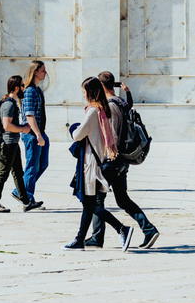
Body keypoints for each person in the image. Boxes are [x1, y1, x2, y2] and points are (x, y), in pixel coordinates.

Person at [87, 71, 159, 249]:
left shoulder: (111, 106)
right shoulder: (121, 103)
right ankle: (148, 229)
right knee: (122, 199)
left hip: (113, 159)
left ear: (102, 86)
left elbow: (112, 135)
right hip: (122, 159)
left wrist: (108, 155)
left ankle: (97, 237)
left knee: (97, 198)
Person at [65, 77, 133, 250]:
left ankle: (121, 228)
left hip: (91, 164)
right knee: (89, 204)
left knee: (90, 204)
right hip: (98, 160)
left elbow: (78, 135)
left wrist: (73, 128)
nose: (83, 95)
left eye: (84, 92)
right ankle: (80, 239)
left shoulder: (93, 111)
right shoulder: (103, 110)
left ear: (90, 92)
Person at [0, 75, 42, 213]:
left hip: (13, 144)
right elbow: (6, 126)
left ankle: (26, 202)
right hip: (7, 144)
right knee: (3, 173)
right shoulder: (8, 104)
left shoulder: (13, 103)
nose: (24, 89)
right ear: (16, 88)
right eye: (22, 86)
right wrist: (23, 129)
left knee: (18, 173)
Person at [19, 59, 49, 205]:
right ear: (35, 72)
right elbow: (29, 115)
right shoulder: (30, 90)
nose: (45, 73)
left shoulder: (37, 90)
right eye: (43, 70)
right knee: (32, 166)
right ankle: (27, 198)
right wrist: (38, 135)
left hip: (40, 132)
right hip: (32, 134)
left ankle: (21, 191)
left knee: (42, 164)